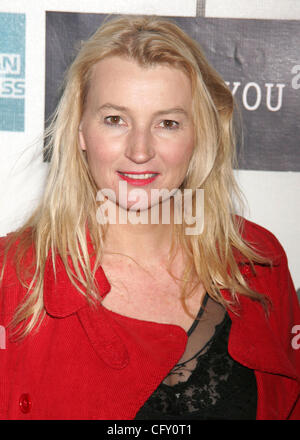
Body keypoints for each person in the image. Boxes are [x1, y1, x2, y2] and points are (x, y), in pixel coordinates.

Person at [0, 14, 299, 420]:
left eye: (168, 123)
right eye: (115, 120)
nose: (140, 150)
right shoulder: (11, 276)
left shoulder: (259, 261)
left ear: (198, 136)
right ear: (80, 132)